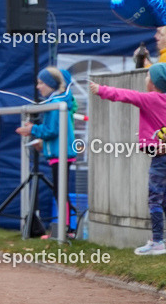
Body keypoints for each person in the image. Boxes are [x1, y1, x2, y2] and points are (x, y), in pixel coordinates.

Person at [90, 66, 166, 255]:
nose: (145, 78)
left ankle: (157, 241)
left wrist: (101, 90)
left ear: (154, 83)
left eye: (148, 75)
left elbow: (127, 95)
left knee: (155, 198)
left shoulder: (151, 99)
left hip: (159, 159)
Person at [16, 67, 76, 235]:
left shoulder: (56, 103)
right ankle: (66, 228)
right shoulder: (55, 101)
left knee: (60, 192)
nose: (38, 87)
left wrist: (32, 129)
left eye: (41, 83)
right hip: (58, 153)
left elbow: (52, 130)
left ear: (50, 84)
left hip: (61, 154)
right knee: (59, 191)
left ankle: (67, 229)